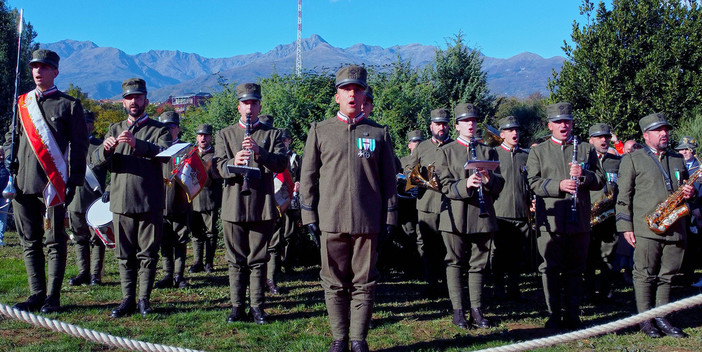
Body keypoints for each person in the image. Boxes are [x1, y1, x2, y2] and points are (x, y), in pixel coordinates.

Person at [300, 65, 397, 352]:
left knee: (365, 283)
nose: (352, 94)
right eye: (346, 89)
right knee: (333, 283)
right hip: (331, 219)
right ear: (337, 96)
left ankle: (358, 340)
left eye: (357, 89)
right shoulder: (320, 131)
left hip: (368, 222)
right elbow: (308, 178)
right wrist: (308, 217)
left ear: (364, 93)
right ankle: (339, 339)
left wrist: (390, 216)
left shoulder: (378, 133)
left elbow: (389, 180)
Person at [5, 49, 88, 313]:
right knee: (29, 240)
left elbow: (80, 146)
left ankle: (53, 296)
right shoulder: (22, 104)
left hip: (52, 185)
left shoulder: (69, 105)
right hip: (22, 183)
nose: (38, 72)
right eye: (34, 67)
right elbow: (12, 137)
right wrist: (9, 156)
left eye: (44, 67)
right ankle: (36, 294)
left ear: (55, 71)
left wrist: (74, 180)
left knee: (55, 240)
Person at [92, 78, 172, 317]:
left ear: (146, 100)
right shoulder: (114, 129)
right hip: (121, 201)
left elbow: (166, 155)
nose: (133, 102)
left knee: (148, 253)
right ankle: (127, 299)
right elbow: (95, 160)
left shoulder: (160, 129)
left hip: (150, 200)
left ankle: (144, 300)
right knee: (124, 254)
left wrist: (139, 144)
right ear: (123, 102)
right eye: (129, 98)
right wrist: (105, 150)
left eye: (138, 97)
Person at [213, 83, 287, 324]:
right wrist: (233, 161)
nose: (250, 107)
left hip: (262, 205)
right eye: (245, 103)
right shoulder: (225, 134)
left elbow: (280, 164)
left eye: (254, 103)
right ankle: (237, 307)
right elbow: (216, 168)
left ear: (259, 106)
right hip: (234, 204)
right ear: (238, 107)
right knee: (235, 259)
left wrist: (259, 153)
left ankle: (257, 307)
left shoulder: (271, 134)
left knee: (258, 259)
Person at [526, 102, 604, 329]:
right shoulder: (538, 151)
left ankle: (572, 314)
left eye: (567, 121)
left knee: (576, 269)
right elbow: (532, 183)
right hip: (550, 221)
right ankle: (553, 314)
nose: (564, 125)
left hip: (578, 218)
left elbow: (600, 180)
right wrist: (558, 185)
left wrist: (585, 176)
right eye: (559, 122)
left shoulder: (587, 149)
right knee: (550, 268)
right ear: (550, 125)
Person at [616, 113, 694, 338]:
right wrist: (625, 227)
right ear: (645, 135)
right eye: (658, 130)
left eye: (666, 129)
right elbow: (623, 197)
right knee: (644, 274)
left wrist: (691, 192)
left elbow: (688, 191)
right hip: (646, 227)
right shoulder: (633, 159)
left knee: (668, 273)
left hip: (675, 225)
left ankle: (662, 316)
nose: (664, 133)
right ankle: (646, 320)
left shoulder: (677, 158)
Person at [436, 103, 504, 329]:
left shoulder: (488, 151)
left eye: (473, 120)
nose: (470, 124)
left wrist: (487, 180)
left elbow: (499, 184)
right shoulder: (446, 151)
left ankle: (476, 309)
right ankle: (458, 311)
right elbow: (443, 186)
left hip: (482, 215)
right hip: (455, 215)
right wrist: (465, 184)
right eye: (465, 121)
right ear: (456, 126)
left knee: (479, 264)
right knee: (454, 263)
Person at [405, 109, 453, 298]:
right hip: (426, 204)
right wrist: (417, 177)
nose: (441, 127)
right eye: (438, 124)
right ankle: (431, 282)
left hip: (450, 203)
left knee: (450, 246)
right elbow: (409, 168)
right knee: (429, 245)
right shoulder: (422, 147)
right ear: (431, 126)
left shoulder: (455, 146)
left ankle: (450, 284)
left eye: (444, 124)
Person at [67, 109, 108, 286]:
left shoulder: (100, 147)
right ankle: (83, 272)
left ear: (92, 126)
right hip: (74, 200)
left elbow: (113, 171)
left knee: (97, 240)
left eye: (87, 123)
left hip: (95, 200)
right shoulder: (67, 147)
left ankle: (95, 275)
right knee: (79, 238)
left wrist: (110, 189)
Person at [491, 116, 530, 300]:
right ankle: (498, 288)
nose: (515, 133)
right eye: (510, 130)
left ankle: (514, 289)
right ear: (502, 134)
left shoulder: (526, 156)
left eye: (517, 130)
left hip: (521, 213)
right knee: (499, 253)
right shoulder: (494, 155)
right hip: (500, 212)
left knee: (517, 254)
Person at [154, 111, 192, 289]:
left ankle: (179, 275)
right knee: (164, 239)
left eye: (171, 126)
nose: (168, 130)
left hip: (179, 201)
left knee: (180, 239)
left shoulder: (187, 149)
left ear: (178, 128)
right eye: (164, 127)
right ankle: (167, 274)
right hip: (160, 200)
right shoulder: (156, 148)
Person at [584, 123, 621, 302]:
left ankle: (607, 291)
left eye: (606, 137)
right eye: (599, 137)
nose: (604, 140)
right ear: (591, 140)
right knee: (589, 257)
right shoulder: (585, 162)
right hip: (589, 216)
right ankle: (589, 292)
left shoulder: (616, 161)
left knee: (608, 257)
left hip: (609, 217)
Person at [266, 128, 301, 294]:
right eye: (282, 140)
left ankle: (284, 265)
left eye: (286, 140)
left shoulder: (293, 157)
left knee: (287, 234)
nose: (284, 142)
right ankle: (270, 273)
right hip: (270, 199)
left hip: (288, 197)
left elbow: (299, 174)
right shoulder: (269, 156)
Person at [189, 124, 222, 274]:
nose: (203, 138)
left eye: (206, 135)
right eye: (200, 135)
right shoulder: (190, 154)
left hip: (210, 199)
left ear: (211, 138)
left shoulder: (216, 155)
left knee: (210, 232)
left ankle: (209, 262)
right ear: (196, 137)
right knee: (196, 233)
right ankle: (197, 262)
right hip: (193, 200)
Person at [673, 137, 702, 286]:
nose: (683, 152)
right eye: (680, 149)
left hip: (696, 211)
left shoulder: (698, 168)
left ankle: (694, 276)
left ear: (693, 151)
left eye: (686, 149)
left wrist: (697, 207)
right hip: (680, 211)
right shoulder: (676, 165)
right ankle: (685, 275)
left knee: (695, 245)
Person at [0, 147, 9, 247]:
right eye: (0, 154)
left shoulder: (7, 165)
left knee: (3, 218)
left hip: (4, 196)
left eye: (2, 154)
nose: (1, 156)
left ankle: (0, 238)